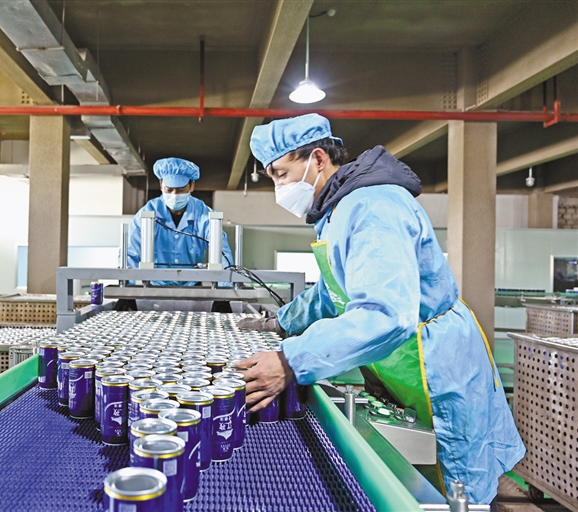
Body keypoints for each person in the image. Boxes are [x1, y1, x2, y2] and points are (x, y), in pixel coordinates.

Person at [236, 114, 524, 505]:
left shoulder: (372, 206)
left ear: (317, 158)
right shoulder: (337, 210)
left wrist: (290, 360)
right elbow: (333, 292)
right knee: (414, 478)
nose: (279, 188)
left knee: (456, 488)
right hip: (402, 363)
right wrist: (281, 322)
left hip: (438, 363)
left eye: (281, 174)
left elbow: (385, 315)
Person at [126, 157, 234, 287]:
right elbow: (130, 252)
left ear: (192, 186)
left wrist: (225, 290)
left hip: (193, 287)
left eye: (181, 189)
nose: (174, 195)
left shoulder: (204, 214)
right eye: (169, 189)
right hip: (155, 287)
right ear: (161, 185)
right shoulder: (147, 213)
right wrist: (127, 288)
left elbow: (222, 252)